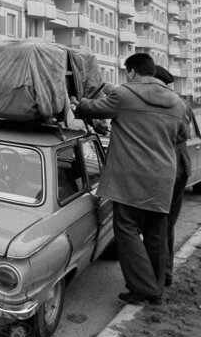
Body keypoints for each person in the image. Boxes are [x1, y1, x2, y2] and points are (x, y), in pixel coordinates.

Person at [72, 53, 186, 306]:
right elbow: (181, 135)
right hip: (162, 179)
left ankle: (142, 288)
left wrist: (77, 103)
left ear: (132, 72)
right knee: (156, 234)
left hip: (130, 179)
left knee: (127, 232)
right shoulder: (178, 103)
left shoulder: (123, 95)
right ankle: (157, 286)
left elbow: (91, 108)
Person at [153, 65, 192, 288]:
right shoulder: (180, 102)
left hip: (170, 164)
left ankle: (159, 275)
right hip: (180, 165)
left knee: (159, 224)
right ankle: (165, 273)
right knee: (167, 224)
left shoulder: (167, 102)